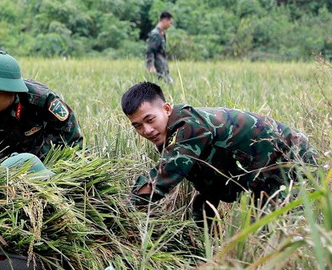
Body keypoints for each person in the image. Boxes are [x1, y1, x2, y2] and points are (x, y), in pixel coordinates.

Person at [121, 81, 317, 224]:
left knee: (277, 231)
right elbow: (208, 184)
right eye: (137, 126)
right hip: (262, 168)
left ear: (166, 109)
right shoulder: (171, 135)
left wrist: (123, 210)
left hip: (290, 158)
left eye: (150, 120)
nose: (147, 130)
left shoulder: (189, 127)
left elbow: (163, 178)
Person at [0, 51, 84, 169]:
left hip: (43, 157)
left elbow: (72, 142)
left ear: (11, 90)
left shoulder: (42, 100)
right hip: (2, 162)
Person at [145, 11, 173, 84]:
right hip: (158, 69)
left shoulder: (161, 34)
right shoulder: (156, 34)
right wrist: (150, 66)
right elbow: (150, 51)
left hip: (162, 68)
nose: (170, 25)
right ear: (165, 20)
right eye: (170, 23)